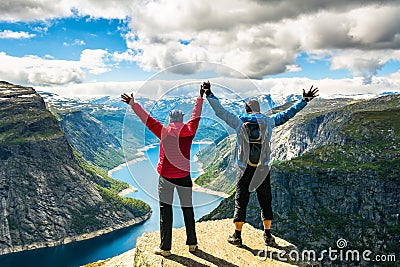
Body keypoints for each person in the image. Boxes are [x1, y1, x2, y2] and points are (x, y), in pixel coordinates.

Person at [203, 81, 318, 247]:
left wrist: (209, 93)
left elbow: (220, 111)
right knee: (265, 201)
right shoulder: (270, 121)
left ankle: (237, 235)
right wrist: (304, 100)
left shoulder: (239, 121)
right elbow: (288, 113)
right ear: (258, 110)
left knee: (241, 200)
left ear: (247, 110)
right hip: (263, 169)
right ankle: (268, 235)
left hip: (244, 168)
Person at [121, 84, 206, 256]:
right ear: (182, 120)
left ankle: (165, 248)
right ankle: (192, 244)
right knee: (187, 209)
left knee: (165, 212)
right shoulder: (189, 131)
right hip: (184, 176)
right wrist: (200, 97)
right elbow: (196, 116)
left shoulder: (163, 131)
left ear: (170, 120)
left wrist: (133, 104)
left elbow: (147, 119)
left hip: (166, 178)